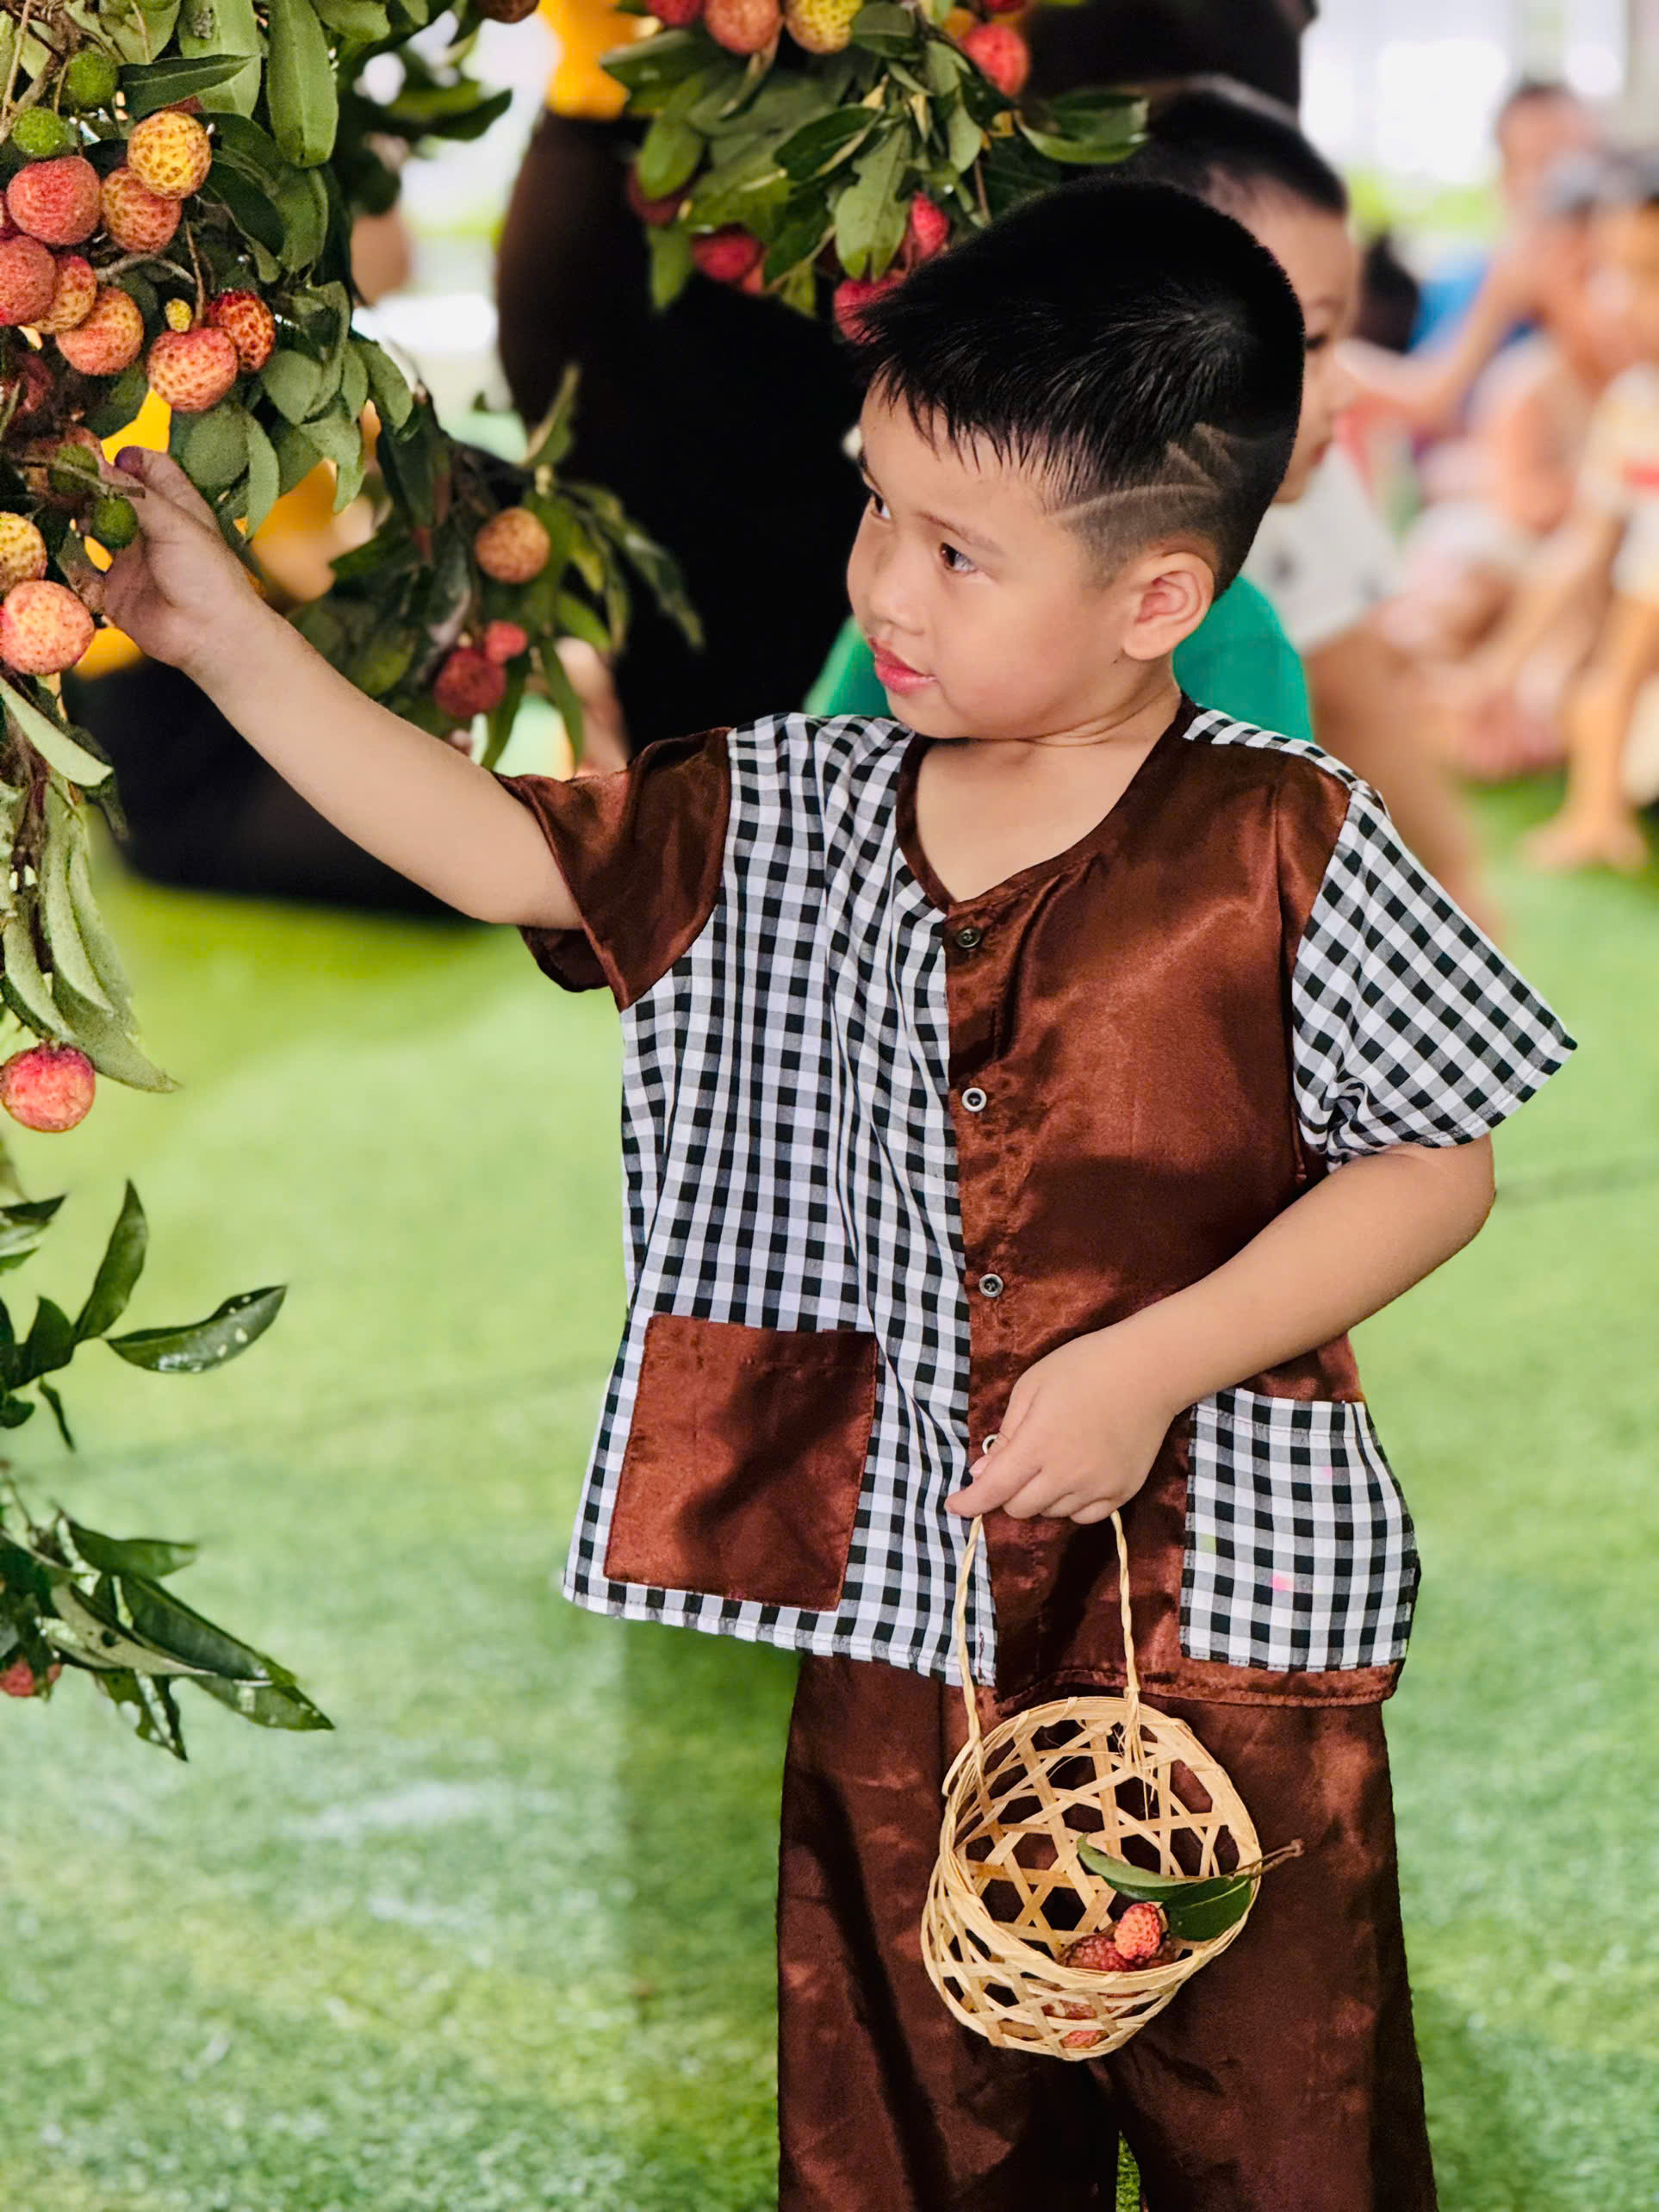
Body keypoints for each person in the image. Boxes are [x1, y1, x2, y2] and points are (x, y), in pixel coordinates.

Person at [89, 177, 1575, 2210]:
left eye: (961, 550)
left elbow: (1436, 1161)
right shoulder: (784, 805)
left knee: (1281, 2120)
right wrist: (225, 640)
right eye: (878, 506)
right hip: (902, 1604)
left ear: (1156, 597)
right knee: (906, 2115)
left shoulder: (1284, 837)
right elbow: (500, 846)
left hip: (1224, 1616)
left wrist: (1154, 1363)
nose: (887, 580)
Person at [1110, 83, 1497, 932]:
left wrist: (1459, 891)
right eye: (1311, 342)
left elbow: (1359, 688)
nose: (1347, 387)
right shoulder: (1238, 628)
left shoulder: (1261, 597)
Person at [1455, 157, 1659, 873]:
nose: (1618, 300)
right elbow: (1583, 545)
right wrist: (1498, 671)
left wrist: (1597, 791)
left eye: (1649, 275)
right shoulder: (1636, 402)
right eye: (1611, 271)